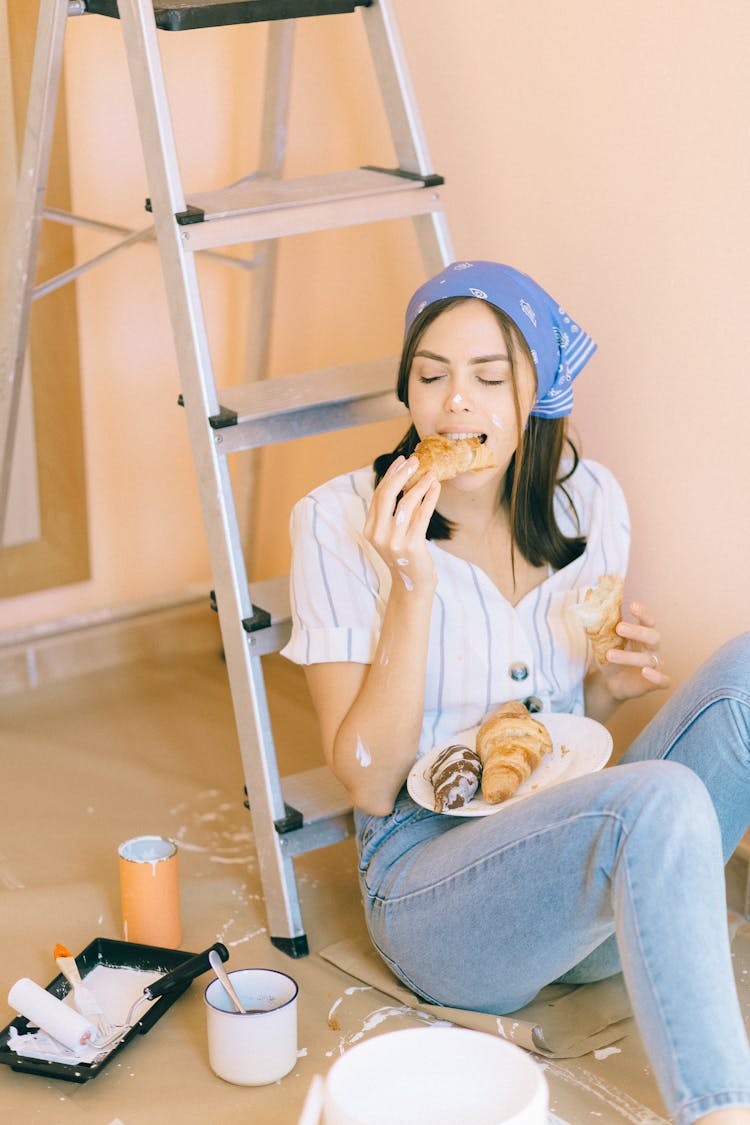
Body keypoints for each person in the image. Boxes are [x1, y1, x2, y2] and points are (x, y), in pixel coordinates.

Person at [281, 261, 750, 1124]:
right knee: (659, 800)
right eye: (430, 376)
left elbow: (554, 746)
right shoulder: (337, 522)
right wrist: (412, 586)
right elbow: (367, 783)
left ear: (534, 390)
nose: (456, 401)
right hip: (433, 893)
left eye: (489, 377)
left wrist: (603, 691)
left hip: (573, 886)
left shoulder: (589, 500)